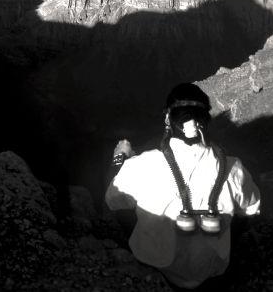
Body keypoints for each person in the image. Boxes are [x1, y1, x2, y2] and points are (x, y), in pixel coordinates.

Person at [106, 83, 262, 289]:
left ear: (167, 119)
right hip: (211, 271)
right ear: (206, 121)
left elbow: (112, 200)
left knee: (119, 190)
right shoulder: (234, 169)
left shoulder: (142, 165)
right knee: (241, 208)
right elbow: (252, 210)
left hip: (154, 266)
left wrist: (121, 158)